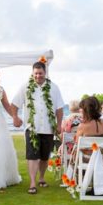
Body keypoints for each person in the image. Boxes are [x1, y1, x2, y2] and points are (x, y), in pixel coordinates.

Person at [12, 61, 64, 195]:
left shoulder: (54, 87)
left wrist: (58, 125)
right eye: (35, 73)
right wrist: (15, 117)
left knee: (45, 157)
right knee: (32, 156)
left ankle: (41, 178)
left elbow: (59, 108)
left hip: (48, 128)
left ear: (45, 73)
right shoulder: (25, 87)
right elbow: (14, 104)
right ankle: (32, 183)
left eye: (40, 73)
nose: (38, 76)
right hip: (31, 128)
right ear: (32, 73)